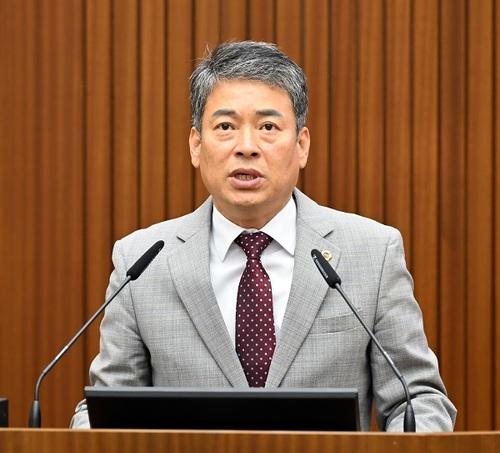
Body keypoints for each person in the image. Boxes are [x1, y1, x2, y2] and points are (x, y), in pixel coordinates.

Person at [71, 41, 456, 430]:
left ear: (301, 145)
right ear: (196, 145)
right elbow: (105, 409)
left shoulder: (371, 253)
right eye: (225, 127)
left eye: (268, 127)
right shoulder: (142, 262)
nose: (247, 147)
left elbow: (418, 401)